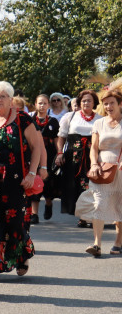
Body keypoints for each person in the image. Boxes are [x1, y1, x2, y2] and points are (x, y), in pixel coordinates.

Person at [0, 81, 43, 283]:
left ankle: (21, 255)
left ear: (10, 98)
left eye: (2, 96)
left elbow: (37, 148)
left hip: (16, 178)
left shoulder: (23, 120)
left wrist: (32, 173)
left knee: (14, 221)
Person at [83, 88, 122, 256]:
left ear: (120, 104)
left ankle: (118, 241)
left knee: (120, 206)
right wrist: (93, 163)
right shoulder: (98, 123)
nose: (108, 106)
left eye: (111, 103)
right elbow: (94, 147)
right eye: (105, 103)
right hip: (102, 169)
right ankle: (97, 244)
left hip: (120, 168)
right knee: (98, 204)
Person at [56, 89, 102, 226]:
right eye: (83, 100)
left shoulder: (100, 119)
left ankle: (93, 215)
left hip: (93, 158)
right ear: (79, 102)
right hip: (73, 158)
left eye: (89, 100)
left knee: (92, 186)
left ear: (94, 102)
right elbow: (61, 137)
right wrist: (60, 153)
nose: (86, 103)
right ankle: (82, 216)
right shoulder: (70, 117)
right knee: (75, 186)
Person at [31, 94, 60, 221]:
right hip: (33, 155)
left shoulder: (53, 121)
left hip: (49, 155)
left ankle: (48, 204)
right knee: (34, 180)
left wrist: (60, 153)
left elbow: (56, 140)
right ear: (35, 104)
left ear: (48, 105)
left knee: (48, 184)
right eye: (39, 103)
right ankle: (34, 214)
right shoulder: (30, 120)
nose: (42, 106)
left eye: (44, 103)